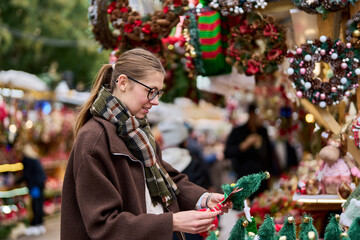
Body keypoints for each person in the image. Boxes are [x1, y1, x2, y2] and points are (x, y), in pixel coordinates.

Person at [60, 48, 231, 240]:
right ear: (123, 83)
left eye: (158, 93)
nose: (156, 101)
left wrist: (204, 198)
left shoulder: (137, 132)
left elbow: (168, 178)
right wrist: (172, 222)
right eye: (151, 92)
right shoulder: (93, 139)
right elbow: (104, 225)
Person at [224, 103, 274, 196]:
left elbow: (269, 155)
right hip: (244, 179)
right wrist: (245, 144)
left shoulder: (263, 131)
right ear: (252, 114)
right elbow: (227, 153)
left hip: (261, 179)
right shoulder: (238, 131)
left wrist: (270, 175)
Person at [17, 144, 47, 236]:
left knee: (36, 204)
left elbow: (27, 174)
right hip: (40, 183)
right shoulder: (34, 158)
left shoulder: (27, 159)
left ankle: (36, 224)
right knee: (39, 203)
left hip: (35, 185)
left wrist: (16, 181)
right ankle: (40, 223)